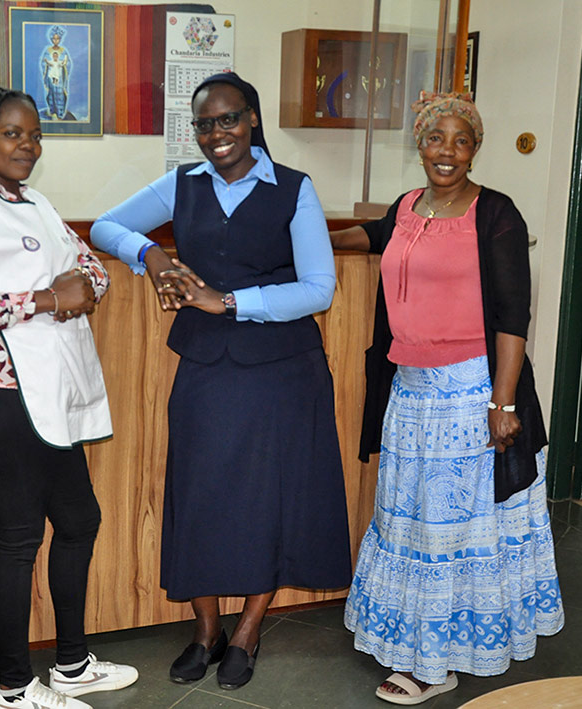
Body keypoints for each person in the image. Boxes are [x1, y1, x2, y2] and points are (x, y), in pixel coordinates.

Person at [90, 72, 352, 691]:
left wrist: (229, 301)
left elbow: (318, 288)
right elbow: (105, 225)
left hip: (283, 371)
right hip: (206, 368)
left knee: (270, 500)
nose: (217, 135)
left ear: (253, 120)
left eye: (229, 120)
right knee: (200, 494)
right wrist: (151, 256)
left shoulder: (293, 189)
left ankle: (247, 630)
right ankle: (205, 630)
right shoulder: (183, 184)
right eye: (205, 124)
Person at [332, 91, 564, 705]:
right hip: (410, 395)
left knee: (455, 533)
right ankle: (417, 643)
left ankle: (438, 665)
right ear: (420, 144)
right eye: (438, 139)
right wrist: (313, 238)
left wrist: (504, 404)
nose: (448, 152)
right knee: (412, 526)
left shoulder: (497, 214)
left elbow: (515, 314)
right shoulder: (408, 206)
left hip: (471, 393)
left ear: (475, 150)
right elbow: (375, 234)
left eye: (462, 141)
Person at [0, 87, 138, 709]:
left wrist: (85, 284)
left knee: (79, 521)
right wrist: (46, 301)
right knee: (19, 538)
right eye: (13, 134)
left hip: (46, 390)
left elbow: (88, 265)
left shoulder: (36, 203)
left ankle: (70, 665)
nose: (28, 145)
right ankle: (16, 689)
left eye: (35, 135)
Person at [41, 26, 70, 120]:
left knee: (60, 94)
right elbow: (44, 63)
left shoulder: (63, 51)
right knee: (51, 93)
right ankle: (53, 111)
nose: (56, 40)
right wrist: (47, 68)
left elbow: (67, 63)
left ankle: (60, 113)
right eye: (54, 38)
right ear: (51, 39)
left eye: (58, 39)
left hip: (60, 77)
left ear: (60, 39)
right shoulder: (48, 51)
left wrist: (64, 65)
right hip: (50, 77)